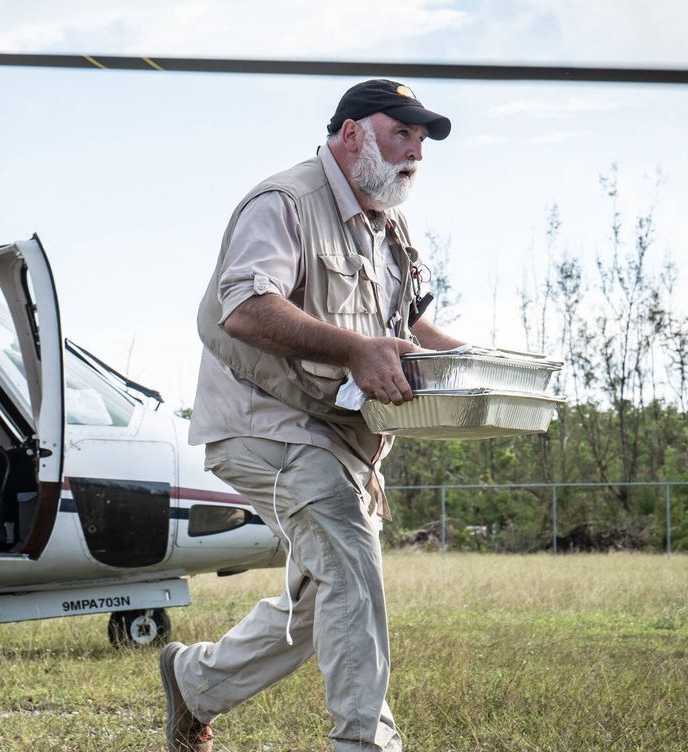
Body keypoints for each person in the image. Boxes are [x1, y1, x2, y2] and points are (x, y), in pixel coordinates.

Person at [160, 81, 465, 752]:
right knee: (351, 565)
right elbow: (244, 307)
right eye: (401, 134)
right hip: (263, 426)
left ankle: (194, 684)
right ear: (352, 133)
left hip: (339, 440)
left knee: (319, 599)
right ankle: (365, 742)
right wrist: (355, 350)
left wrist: (478, 364)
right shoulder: (285, 202)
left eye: (422, 142)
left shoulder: (390, 227)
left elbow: (406, 325)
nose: (414, 152)